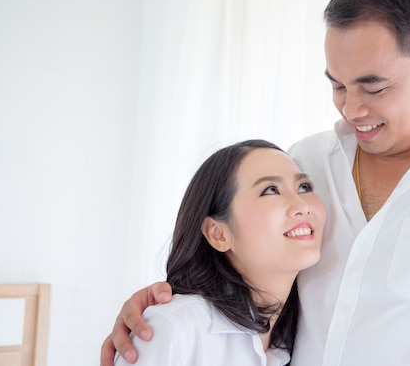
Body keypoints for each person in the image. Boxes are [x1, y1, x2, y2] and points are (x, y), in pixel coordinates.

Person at [101, 0, 410, 366]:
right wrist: (161, 310)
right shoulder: (307, 164)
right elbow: (244, 273)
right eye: (337, 85)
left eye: (373, 87)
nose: (351, 108)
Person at [111, 139, 325, 365]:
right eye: (271, 190)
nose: (302, 205)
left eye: (304, 187)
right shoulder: (174, 330)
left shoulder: (292, 342)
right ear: (218, 234)